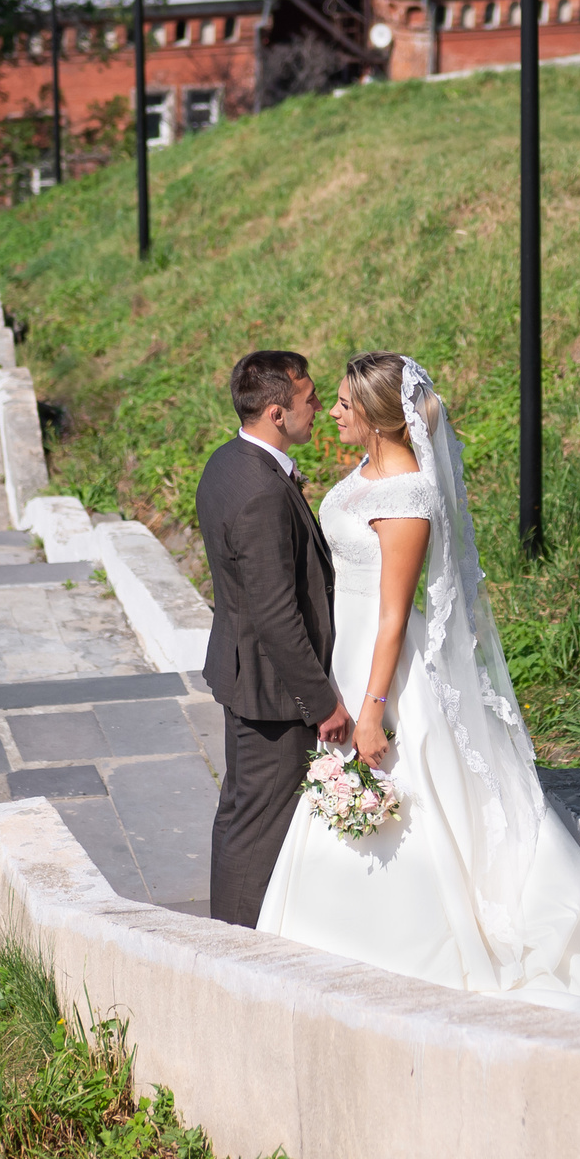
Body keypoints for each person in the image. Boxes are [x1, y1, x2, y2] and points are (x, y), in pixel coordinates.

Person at [254, 352, 580, 1026]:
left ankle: (404, 953)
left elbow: (392, 617)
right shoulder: (361, 475)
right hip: (349, 658)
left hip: (386, 671)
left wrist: (372, 711)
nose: (331, 413)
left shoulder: (408, 496)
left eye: (345, 406)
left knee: (405, 792)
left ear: (381, 420)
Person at [195, 350, 353, 928]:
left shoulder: (227, 460)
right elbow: (275, 612)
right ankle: (234, 952)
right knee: (257, 824)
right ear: (276, 413)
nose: (318, 408)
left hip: (248, 675)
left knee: (241, 812)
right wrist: (322, 703)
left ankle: (229, 935)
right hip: (273, 688)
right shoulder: (262, 492)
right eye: (309, 399)